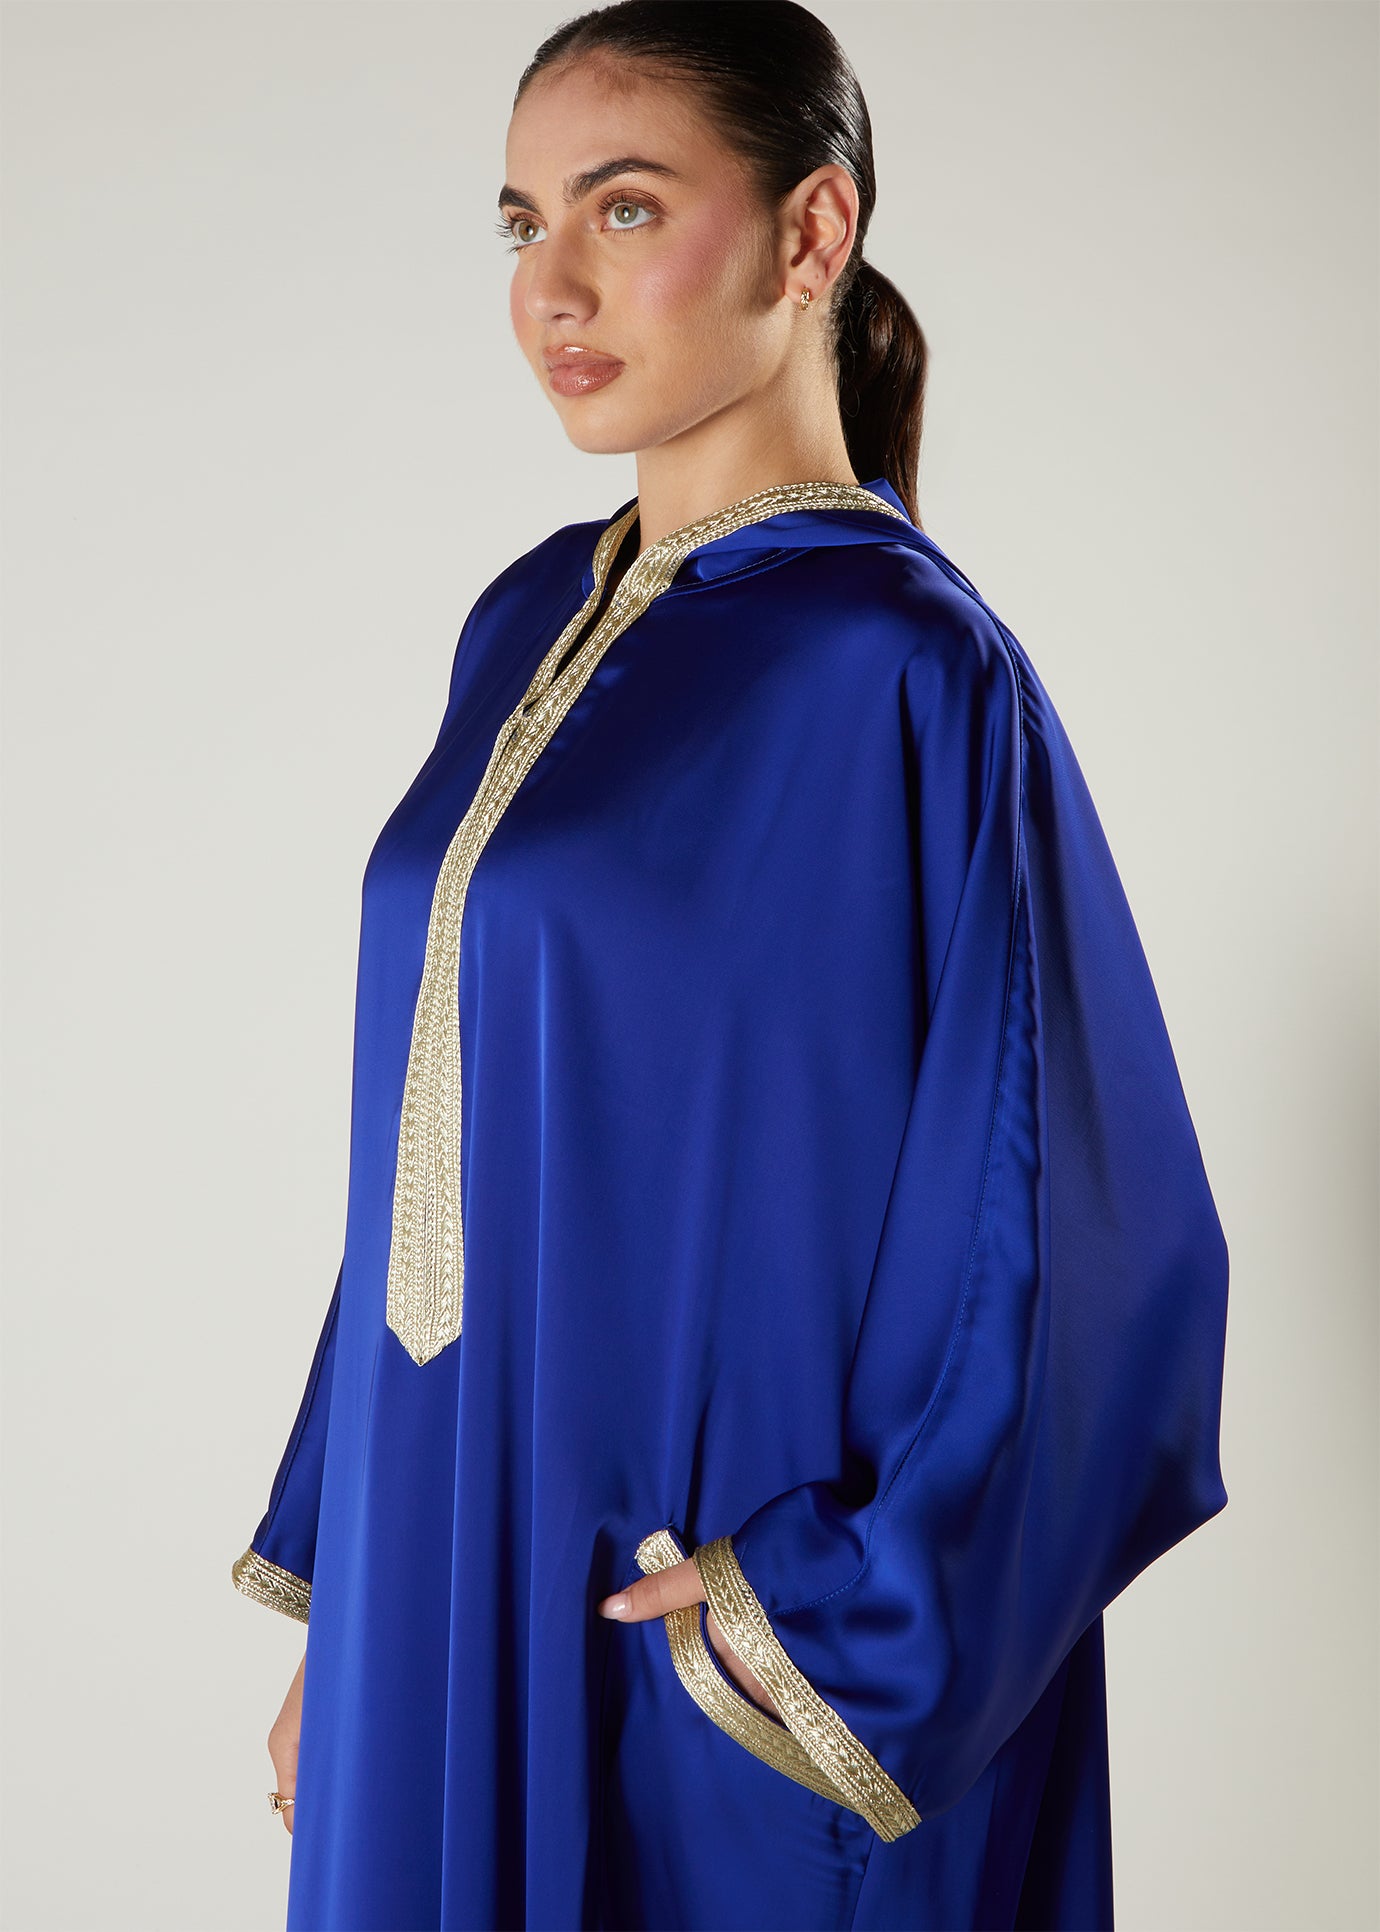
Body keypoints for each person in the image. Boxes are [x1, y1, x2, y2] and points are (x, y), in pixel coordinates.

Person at [229, 4, 1231, 1928]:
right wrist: (361, 1596)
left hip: (712, 1643)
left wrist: (820, 1614)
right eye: (523, 223)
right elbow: (447, 1145)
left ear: (811, 230)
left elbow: (1081, 1237)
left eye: (623, 208)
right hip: (459, 1569)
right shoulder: (529, 617)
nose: (553, 286)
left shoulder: (904, 669)